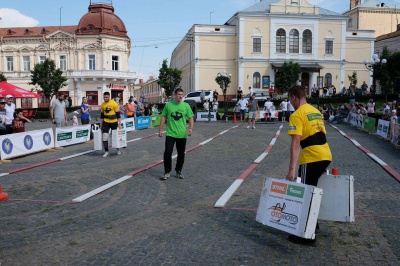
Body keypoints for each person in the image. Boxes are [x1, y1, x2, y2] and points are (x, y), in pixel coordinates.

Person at [285, 85, 332, 246]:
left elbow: (296, 143)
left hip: (311, 157)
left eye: (289, 99)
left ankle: (307, 235)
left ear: (293, 97)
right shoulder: (315, 111)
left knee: (305, 194)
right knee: (311, 191)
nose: (290, 103)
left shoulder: (297, 115)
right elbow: (321, 133)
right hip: (325, 154)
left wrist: (291, 169)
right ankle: (314, 224)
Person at [158, 88, 194, 180]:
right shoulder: (168, 105)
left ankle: (178, 170)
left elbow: (190, 118)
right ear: (174, 95)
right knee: (167, 152)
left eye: (182, 94)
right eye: (178, 94)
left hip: (182, 134)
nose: (180, 96)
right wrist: (160, 129)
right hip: (170, 133)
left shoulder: (186, 106)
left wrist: (190, 128)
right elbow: (163, 117)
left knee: (181, 154)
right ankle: (167, 171)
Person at [100, 91, 122, 157]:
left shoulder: (114, 103)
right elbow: (102, 116)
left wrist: (119, 124)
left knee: (114, 136)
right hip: (106, 122)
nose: (105, 98)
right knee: (104, 137)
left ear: (109, 97)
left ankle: (118, 149)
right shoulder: (102, 105)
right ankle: (106, 151)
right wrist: (101, 124)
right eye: (104, 97)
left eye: (106, 97)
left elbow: (118, 115)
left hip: (114, 122)